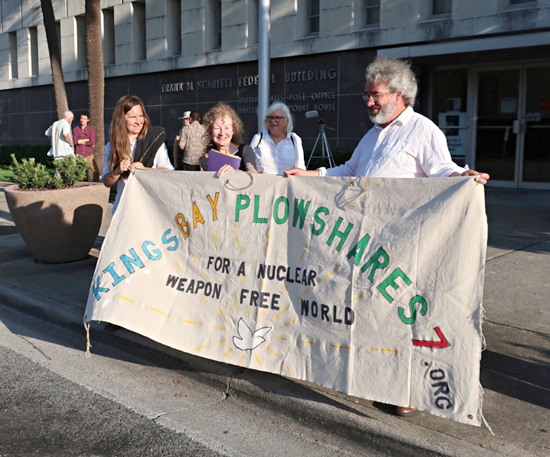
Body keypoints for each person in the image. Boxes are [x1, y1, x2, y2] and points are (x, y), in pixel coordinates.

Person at [285, 57, 490, 417]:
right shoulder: (373, 134)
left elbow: (441, 168)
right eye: (366, 95)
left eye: (375, 95)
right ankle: (381, 379)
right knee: (375, 313)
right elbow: (350, 170)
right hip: (369, 242)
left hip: (404, 242)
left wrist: (461, 176)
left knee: (403, 316)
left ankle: (410, 393)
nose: (369, 102)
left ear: (398, 94)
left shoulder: (423, 130)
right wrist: (312, 175)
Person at [100, 95, 174, 213]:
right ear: (122, 119)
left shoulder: (154, 140)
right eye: (133, 117)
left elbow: (168, 172)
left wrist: (145, 170)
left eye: (141, 116)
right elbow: (106, 181)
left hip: (150, 209)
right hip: (123, 209)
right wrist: (117, 171)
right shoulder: (111, 146)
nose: (138, 121)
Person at [202, 102, 257, 175]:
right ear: (210, 131)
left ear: (233, 130)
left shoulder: (245, 151)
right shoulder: (206, 157)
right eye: (217, 128)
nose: (222, 133)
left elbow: (254, 175)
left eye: (226, 128)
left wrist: (234, 172)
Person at [250, 102, 305, 175]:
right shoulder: (258, 139)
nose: (273, 121)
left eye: (278, 118)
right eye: (270, 118)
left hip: (286, 181)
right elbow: (249, 165)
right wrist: (256, 173)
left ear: (287, 121)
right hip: (263, 181)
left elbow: (300, 168)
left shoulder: (294, 139)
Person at [73, 112, 96, 181]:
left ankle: (95, 183)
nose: (82, 120)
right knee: (79, 172)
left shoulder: (90, 130)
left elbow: (92, 142)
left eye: (84, 119)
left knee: (94, 170)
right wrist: (87, 140)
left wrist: (80, 141)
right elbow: (75, 141)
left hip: (88, 153)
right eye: (81, 118)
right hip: (79, 153)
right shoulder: (76, 129)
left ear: (88, 120)